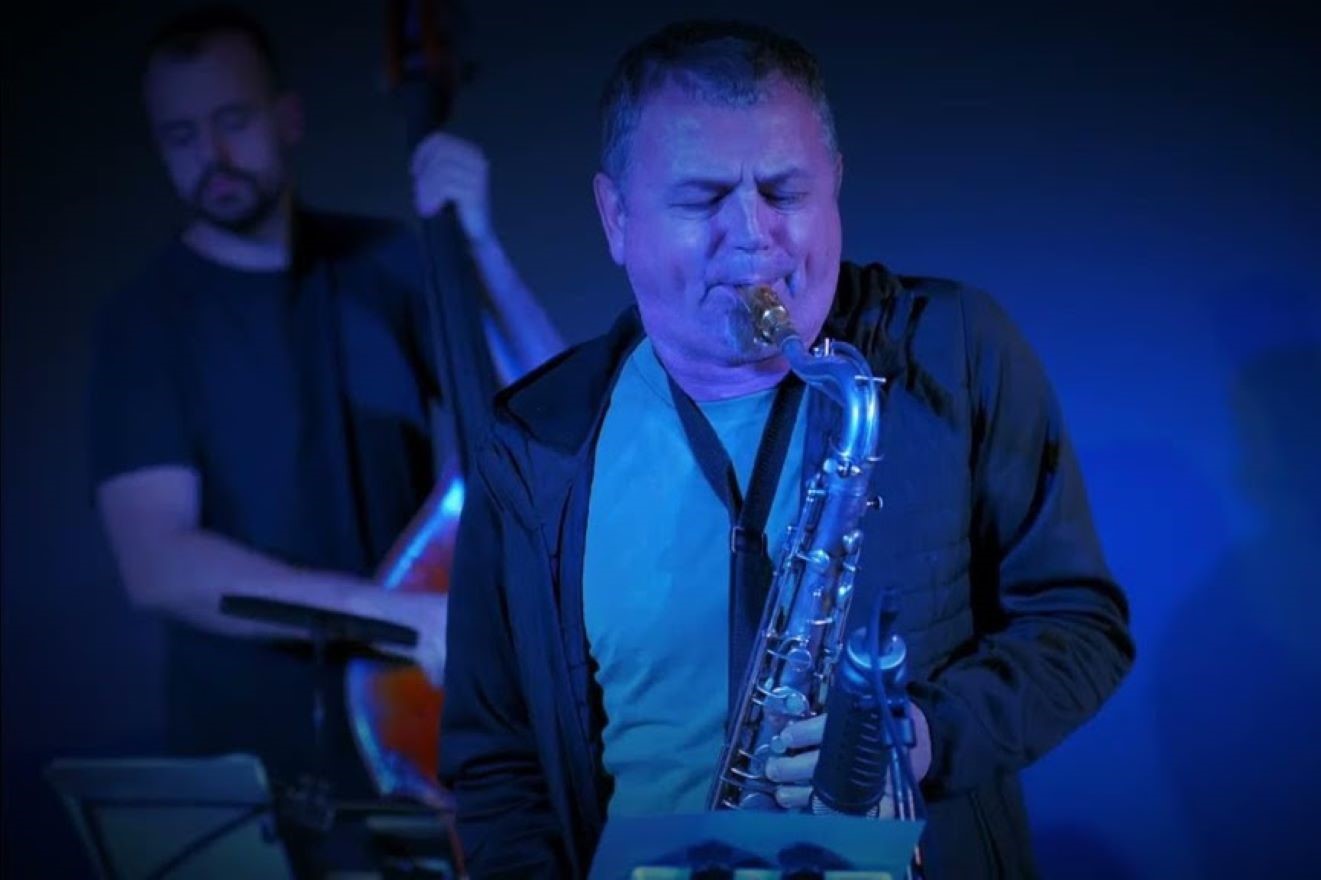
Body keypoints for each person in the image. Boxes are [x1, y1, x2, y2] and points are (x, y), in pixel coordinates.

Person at [439, 19, 1135, 879]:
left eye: (784, 191)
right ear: (616, 218)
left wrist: (920, 737)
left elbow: (1080, 627)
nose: (752, 236)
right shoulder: (534, 440)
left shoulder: (954, 352)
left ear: (834, 183)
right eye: (701, 199)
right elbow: (496, 759)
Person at [87, 4, 561, 864]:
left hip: (418, 742)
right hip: (251, 767)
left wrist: (480, 248)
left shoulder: (384, 262)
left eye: (233, 120)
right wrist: (396, 617)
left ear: (288, 117)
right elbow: (157, 563)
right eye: (181, 135)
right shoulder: (142, 324)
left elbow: (558, 414)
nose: (211, 154)